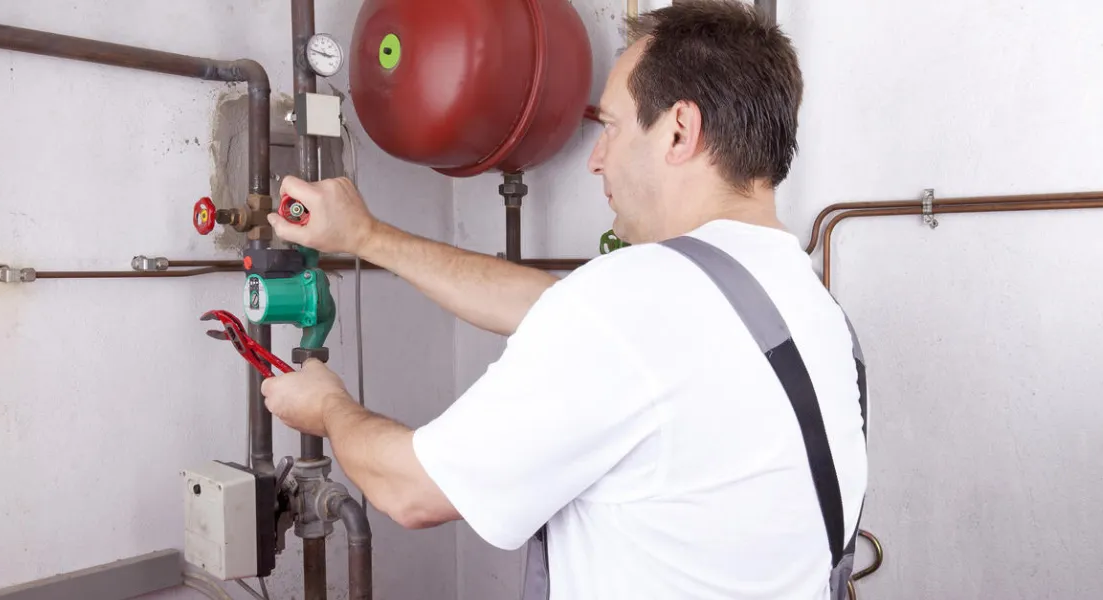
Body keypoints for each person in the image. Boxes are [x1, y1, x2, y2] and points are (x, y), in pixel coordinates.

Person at [261, 1, 868, 598]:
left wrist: (329, 407)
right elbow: (553, 305)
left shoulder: (632, 305)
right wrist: (366, 236)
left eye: (611, 127)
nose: (596, 160)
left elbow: (411, 491)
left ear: (680, 129)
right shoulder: (805, 302)